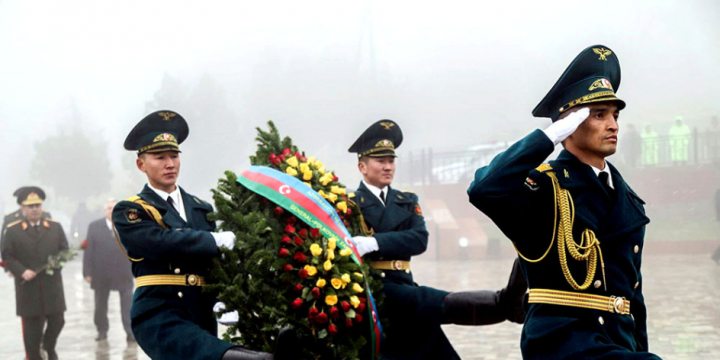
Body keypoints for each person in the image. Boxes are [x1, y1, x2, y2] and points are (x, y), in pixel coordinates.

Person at [467, 45, 661, 359]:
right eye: (599, 115)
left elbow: (632, 300)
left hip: (617, 345)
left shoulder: (629, 201)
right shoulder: (545, 187)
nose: (613, 125)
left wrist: (640, 349)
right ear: (570, 123)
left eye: (614, 115)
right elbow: (484, 189)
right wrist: (550, 136)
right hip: (561, 342)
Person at [112, 110, 293, 360]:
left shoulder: (200, 207)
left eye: (174, 156)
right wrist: (211, 240)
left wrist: (223, 298)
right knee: (206, 353)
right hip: (159, 310)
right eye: (159, 157)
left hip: (201, 308)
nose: (170, 164)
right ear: (140, 164)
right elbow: (157, 242)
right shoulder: (131, 209)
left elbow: (214, 264)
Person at [349, 119, 527, 360]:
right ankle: (501, 304)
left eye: (391, 161)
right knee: (420, 302)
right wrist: (393, 240)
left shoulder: (406, 200)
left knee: (438, 347)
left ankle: (504, 304)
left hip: (404, 287)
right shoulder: (348, 205)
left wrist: (375, 243)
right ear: (362, 167)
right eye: (381, 161)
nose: (388, 167)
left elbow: (419, 240)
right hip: (374, 293)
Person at [1, 187, 68, 360]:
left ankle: (48, 347)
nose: (35, 209)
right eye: (30, 206)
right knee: (32, 333)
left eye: (37, 205)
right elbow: (7, 256)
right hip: (28, 289)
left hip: (52, 286)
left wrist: (56, 264)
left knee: (58, 321)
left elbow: (64, 250)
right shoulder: (13, 230)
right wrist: (21, 271)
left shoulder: (54, 227)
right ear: (22, 209)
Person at [83, 199, 134, 342]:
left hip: (123, 272)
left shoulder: (127, 225)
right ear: (104, 211)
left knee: (127, 304)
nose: (111, 211)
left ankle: (130, 331)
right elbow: (89, 251)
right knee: (100, 304)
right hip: (101, 273)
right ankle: (102, 330)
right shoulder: (94, 226)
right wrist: (87, 272)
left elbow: (135, 247)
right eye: (109, 208)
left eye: (114, 208)